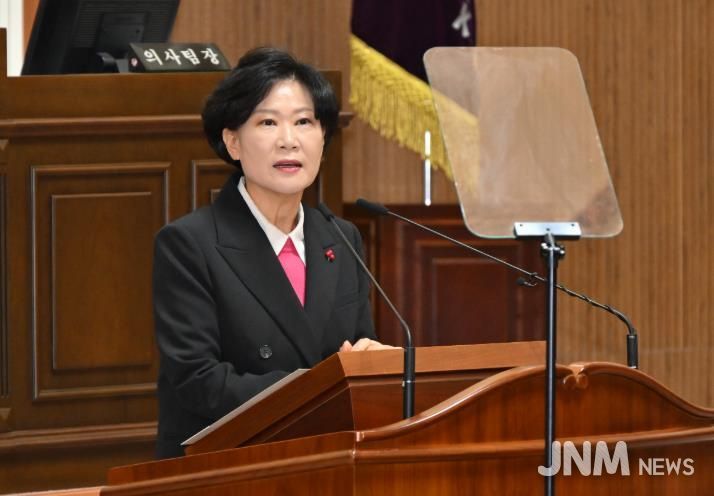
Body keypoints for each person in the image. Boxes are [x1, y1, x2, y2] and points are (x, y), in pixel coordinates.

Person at [152, 47, 390, 459]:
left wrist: (378, 367)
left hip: (326, 460)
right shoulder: (189, 244)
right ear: (232, 141)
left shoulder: (341, 238)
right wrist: (323, 387)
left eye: (304, 122)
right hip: (225, 466)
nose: (288, 141)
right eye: (267, 122)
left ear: (323, 139)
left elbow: (358, 350)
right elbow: (199, 382)